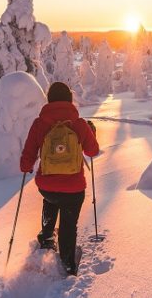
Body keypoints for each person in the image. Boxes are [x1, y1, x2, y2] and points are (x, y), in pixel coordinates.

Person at [20, 81, 99, 274]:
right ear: (69, 100)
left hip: (46, 186)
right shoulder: (79, 124)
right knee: (68, 224)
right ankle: (68, 263)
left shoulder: (39, 123)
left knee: (51, 200)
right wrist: (91, 132)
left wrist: (26, 167)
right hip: (74, 188)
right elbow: (93, 150)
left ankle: (47, 237)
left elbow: (27, 157)